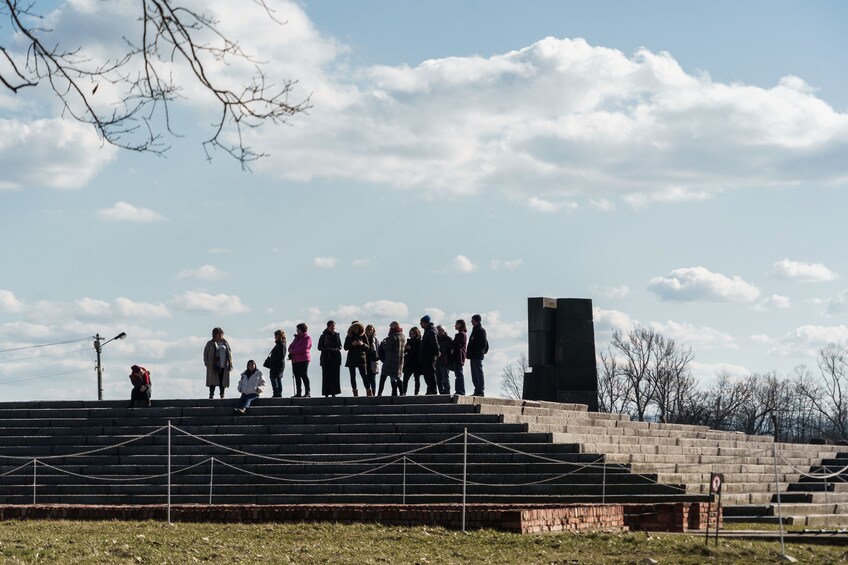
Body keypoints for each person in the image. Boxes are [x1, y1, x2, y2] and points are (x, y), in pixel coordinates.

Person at [377, 321, 405, 396]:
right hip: (399, 361)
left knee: (383, 377)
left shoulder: (393, 337)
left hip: (390, 361)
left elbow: (388, 348)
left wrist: (383, 344)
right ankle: (401, 393)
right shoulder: (402, 336)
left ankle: (379, 393)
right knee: (397, 377)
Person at [203, 327, 232, 399]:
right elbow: (205, 354)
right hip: (213, 366)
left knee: (222, 381)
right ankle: (211, 394)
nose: (222, 335)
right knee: (212, 381)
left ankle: (222, 394)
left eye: (222, 334)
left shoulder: (226, 343)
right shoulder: (210, 343)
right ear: (215, 334)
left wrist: (230, 364)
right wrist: (208, 364)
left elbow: (230, 354)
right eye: (220, 334)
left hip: (223, 365)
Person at [317, 320, 342, 397]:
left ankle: (334, 392)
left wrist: (334, 349)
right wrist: (327, 349)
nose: (333, 328)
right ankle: (326, 393)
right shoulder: (323, 336)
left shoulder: (337, 335)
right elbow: (319, 347)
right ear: (328, 327)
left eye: (334, 326)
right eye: (332, 326)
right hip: (326, 358)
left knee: (335, 376)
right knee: (326, 376)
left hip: (335, 358)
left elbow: (340, 346)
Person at [467, 314, 489, 396]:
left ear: (476, 320)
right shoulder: (475, 330)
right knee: (474, 375)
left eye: (472, 320)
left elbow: (483, 344)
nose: (471, 322)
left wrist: (477, 352)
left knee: (478, 373)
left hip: (477, 356)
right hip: (473, 356)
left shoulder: (481, 330)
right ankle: (477, 390)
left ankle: (480, 391)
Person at [288, 323, 312, 397]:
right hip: (295, 360)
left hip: (303, 359)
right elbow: (290, 346)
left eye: (298, 329)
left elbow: (304, 348)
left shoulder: (307, 338)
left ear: (301, 329)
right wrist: (290, 350)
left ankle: (307, 392)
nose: (296, 330)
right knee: (297, 376)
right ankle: (299, 392)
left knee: (304, 375)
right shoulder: (296, 338)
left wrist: (293, 351)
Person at [344, 321, 368, 397]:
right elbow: (345, 347)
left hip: (361, 357)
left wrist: (362, 344)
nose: (356, 329)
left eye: (357, 327)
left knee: (364, 375)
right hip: (352, 358)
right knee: (352, 376)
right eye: (354, 327)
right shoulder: (349, 336)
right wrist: (352, 344)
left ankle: (368, 391)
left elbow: (368, 347)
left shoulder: (363, 336)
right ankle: (355, 393)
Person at [418, 315, 439, 395]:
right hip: (426, 356)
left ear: (426, 323)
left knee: (430, 373)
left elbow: (435, 343)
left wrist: (437, 352)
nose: (421, 324)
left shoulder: (431, 331)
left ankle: (433, 390)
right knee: (427, 374)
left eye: (422, 323)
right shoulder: (428, 331)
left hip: (429, 356)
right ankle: (430, 389)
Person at [264, 329, 287, 398]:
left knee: (274, 378)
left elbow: (281, 356)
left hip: (277, 365)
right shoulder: (280, 344)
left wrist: (274, 362)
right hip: (278, 365)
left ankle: (277, 393)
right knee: (277, 378)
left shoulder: (281, 344)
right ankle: (278, 393)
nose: (275, 337)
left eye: (276, 336)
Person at [402, 326, 422, 395]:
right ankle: (403, 392)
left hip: (417, 362)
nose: (412, 335)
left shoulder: (420, 341)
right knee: (405, 379)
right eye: (411, 333)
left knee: (417, 379)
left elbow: (419, 351)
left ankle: (416, 393)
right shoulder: (409, 341)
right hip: (409, 362)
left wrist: (411, 348)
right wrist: (406, 348)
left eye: (413, 333)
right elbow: (405, 350)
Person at [436, 324, 453, 394]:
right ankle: (441, 392)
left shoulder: (448, 339)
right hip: (437, 361)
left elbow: (451, 351)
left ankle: (447, 392)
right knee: (438, 379)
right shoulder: (436, 339)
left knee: (445, 378)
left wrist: (449, 360)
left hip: (445, 362)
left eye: (439, 330)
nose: (437, 332)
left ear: (443, 330)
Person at [452, 319, 468, 395]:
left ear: (460, 324)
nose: (455, 325)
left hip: (458, 356)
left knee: (459, 373)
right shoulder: (461, 334)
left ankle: (460, 390)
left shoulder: (461, 334)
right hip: (457, 356)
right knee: (458, 374)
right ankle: (459, 390)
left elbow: (456, 345)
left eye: (456, 324)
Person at [363, 324, 380, 396]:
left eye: (371, 329)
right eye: (368, 329)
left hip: (373, 360)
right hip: (366, 360)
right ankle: (369, 393)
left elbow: (378, 349)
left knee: (373, 378)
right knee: (367, 378)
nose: (370, 331)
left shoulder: (375, 339)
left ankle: (373, 393)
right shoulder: (364, 338)